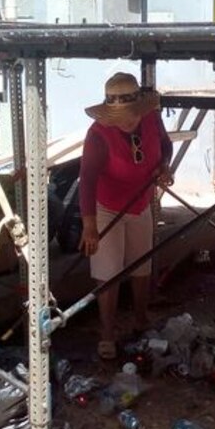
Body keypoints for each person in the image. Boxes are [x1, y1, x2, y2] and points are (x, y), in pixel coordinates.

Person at [79, 72, 173, 360]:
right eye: (118, 116)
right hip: (107, 207)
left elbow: (165, 145)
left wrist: (163, 166)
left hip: (140, 201)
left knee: (141, 264)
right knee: (108, 272)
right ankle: (107, 333)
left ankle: (141, 319)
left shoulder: (151, 118)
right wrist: (90, 226)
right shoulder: (98, 134)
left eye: (131, 114)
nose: (126, 121)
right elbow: (87, 180)